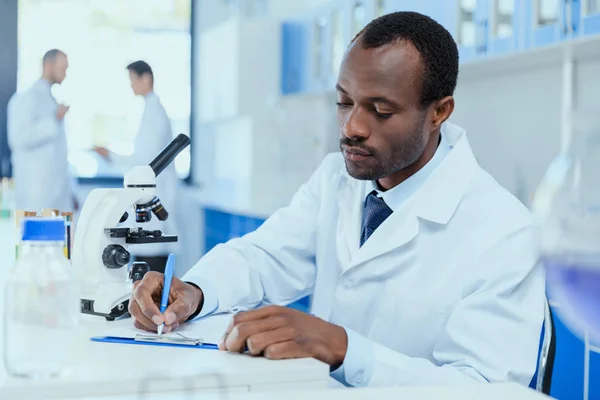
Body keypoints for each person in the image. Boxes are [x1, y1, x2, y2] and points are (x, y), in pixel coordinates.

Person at [129, 12, 545, 388]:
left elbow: (487, 390)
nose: (352, 127)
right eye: (344, 102)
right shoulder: (336, 179)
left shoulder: (503, 231)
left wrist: (346, 350)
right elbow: (263, 257)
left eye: (380, 110)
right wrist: (195, 292)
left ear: (439, 111)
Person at [94, 61, 178, 272]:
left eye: (132, 79)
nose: (131, 85)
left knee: (152, 261)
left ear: (146, 78)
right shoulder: (150, 110)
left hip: (157, 194)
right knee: (146, 258)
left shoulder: (155, 112)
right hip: (150, 195)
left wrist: (111, 155)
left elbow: (145, 160)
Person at [7, 49, 78, 212]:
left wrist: (70, 191)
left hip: (56, 193)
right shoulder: (26, 98)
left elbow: (58, 154)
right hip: (35, 194)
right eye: (63, 68)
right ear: (48, 65)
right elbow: (18, 138)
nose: (66, 74)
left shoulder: (51, 100)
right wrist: (54, 120)